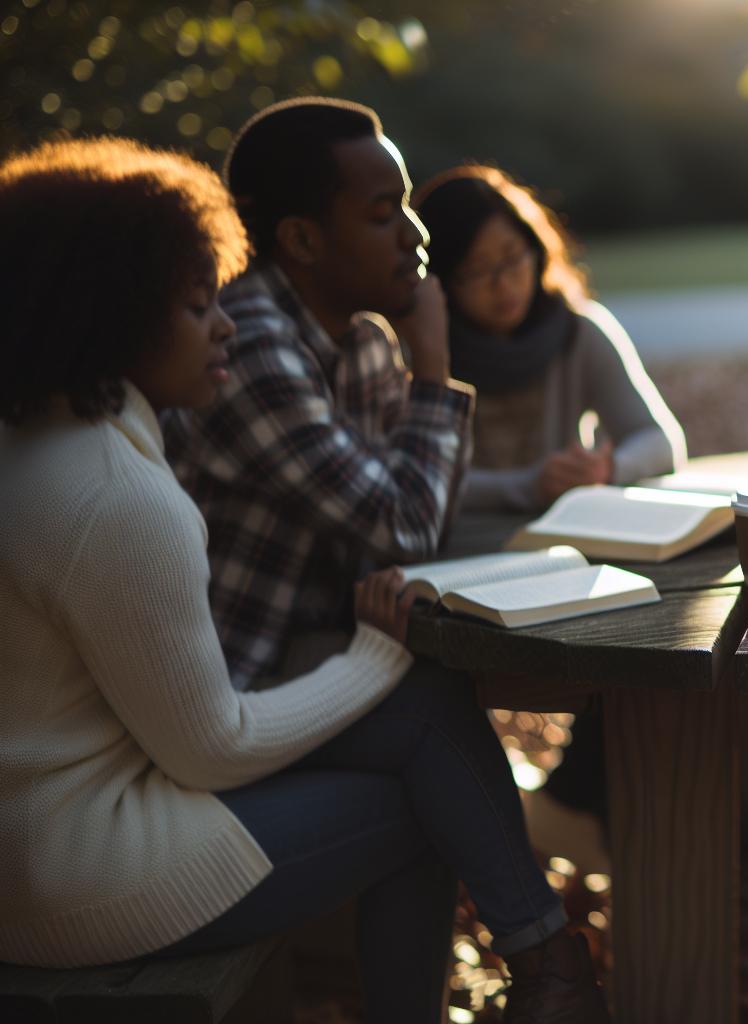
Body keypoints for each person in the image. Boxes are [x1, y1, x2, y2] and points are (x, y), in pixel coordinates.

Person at [0, 137, 605, 1022]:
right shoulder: (116, 496)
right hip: (78, 879)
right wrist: (374, 653)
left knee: (423, 715)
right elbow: (210, 746)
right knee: (416, 810)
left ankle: (551, 972)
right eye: (198, 303)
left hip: (39, 844)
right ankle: (541, 974)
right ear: (116, 315)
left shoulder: (35, 445)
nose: (226, 327)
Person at [161, 97, 471, 688]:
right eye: (384, 215)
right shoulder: (247, 347)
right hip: (233, 681)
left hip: (318, 648)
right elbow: (409, 526)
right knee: (434, 702)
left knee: (437, 693)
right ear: (302, 240)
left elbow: (419, 525)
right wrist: (432, 366)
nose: (417, 233)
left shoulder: (363, 341)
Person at [413, 164, 684, 513]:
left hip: (567, 540)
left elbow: (660, 441)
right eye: (477, 271)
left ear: (536, 251)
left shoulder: (579, 331)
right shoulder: (420, 352)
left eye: (512, 258)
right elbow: (414, 481)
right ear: (441, 281)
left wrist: (607, 468)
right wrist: (529, 486)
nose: (504, 285)